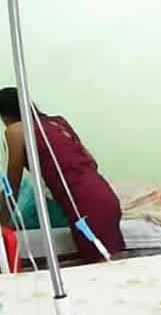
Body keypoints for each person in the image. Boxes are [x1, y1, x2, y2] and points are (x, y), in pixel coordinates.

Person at [0, 88, 124, 262]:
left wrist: (3, 222)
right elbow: (91, 161)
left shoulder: (15, 131)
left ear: (5, 116)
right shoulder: (58, 122)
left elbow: (12, 185)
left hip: (85, 206)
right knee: (110, 266)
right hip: (105, 197)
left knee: (101, 268)